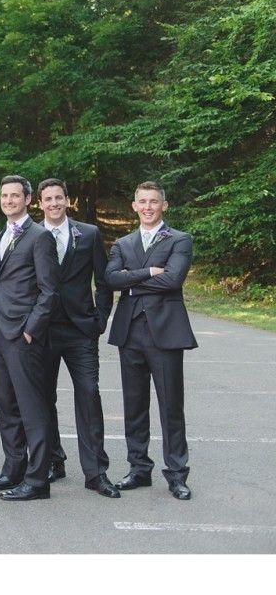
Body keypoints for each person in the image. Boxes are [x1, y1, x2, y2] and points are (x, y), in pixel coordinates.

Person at [105, 181, 197, 501]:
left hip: (165, 334)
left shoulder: (180, 239)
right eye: (142, 201)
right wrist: (149, 273)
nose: (147, 207)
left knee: (171, 406)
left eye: (153, 202)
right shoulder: (123, 243)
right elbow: (110, 279)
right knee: (134, 406)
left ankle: (177, 474)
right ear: (134, 206)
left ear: (164, 205)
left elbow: (173, 279)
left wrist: (132, 282)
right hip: (130, 333)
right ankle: (138, 468)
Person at [37, 178, 119, 499]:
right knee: (44, 399)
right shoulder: (33, 235)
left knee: (88, 394)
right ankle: (53, 460)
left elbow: (105, 279)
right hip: (44, 331)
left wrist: (100, 319)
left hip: (81, 330)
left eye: (59, 197)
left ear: (68, 201)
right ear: (40, 203)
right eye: (48, 199)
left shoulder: (89, 234)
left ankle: (96, 472)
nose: (54, 203)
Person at [0, 175, 60, 501]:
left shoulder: (39, 237)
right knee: (6, 405)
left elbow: (49, 290)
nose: (9, 200)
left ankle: (37, 479)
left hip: (23, 334)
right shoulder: (3, 233)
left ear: (28, 199)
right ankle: (12, 469)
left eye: (15, 196)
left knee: (32, 408)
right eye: (4, 196)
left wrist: (31, 329)